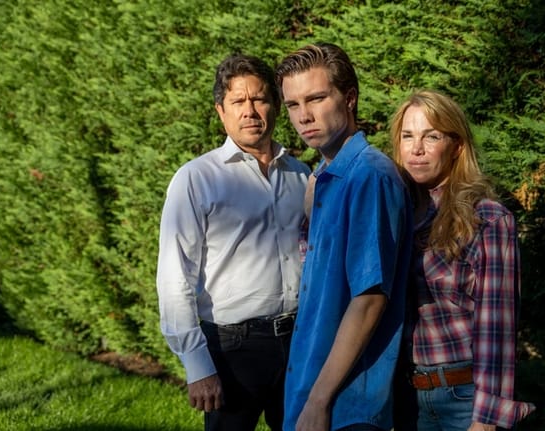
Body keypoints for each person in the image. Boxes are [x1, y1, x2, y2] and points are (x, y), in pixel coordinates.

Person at [156, 53, 310, 431]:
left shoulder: (301, 176)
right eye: (238, 102)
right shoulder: (196, 179)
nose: (250, 111)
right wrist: (197, 366)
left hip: (299, 342)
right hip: (233, 350)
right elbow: (174, 277)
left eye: (259, 99)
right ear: (221, 111)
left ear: (274, 105)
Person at [276, 42, 413, 431]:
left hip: (346, 405)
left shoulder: (369, 176)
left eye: (317, 98)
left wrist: (319, 402)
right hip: (312, 389)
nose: (304, 116)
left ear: (349, 98)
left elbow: (369, 298)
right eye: (292, 105)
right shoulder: (324, 177)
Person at [389, 90, 535, 431]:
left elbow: (497, 327)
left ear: (457, 146)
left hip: (463, 400)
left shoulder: (487, 219)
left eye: (432, 136)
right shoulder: (396, 215)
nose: (417, 149)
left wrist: (485, 422)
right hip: (404, 397)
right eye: (407, 136)